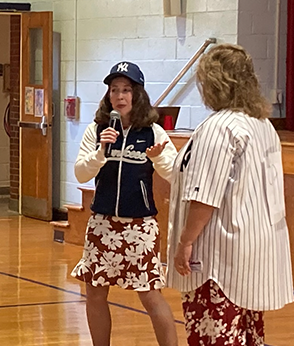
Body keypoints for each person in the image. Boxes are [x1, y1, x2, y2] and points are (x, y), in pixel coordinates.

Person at [166, 43, 294, 345]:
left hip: (219, 257)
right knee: (248, 335)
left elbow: (205, 196)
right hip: (254, 253)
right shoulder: (263, 125)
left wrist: (185, 241)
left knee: (215, 336)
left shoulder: (219, 127)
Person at [71, 61, 179, 346]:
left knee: (150, 294)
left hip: (140, 226)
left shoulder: (153, 132)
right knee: (94, 292)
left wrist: (156, 157)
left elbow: (177, 174)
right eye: (114, 90)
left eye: (126, 90)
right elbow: (81, 173)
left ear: (137, 94)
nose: (120, 96)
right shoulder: (97, 131)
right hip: (102, 223)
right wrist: (101, 152)